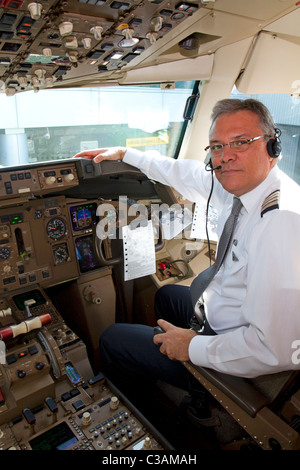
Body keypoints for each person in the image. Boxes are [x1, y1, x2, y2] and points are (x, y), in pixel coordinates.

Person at [73, 99, 300, 395]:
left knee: (113, 338)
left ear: (273, 147)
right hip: (226, 316)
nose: (225, 157)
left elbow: (275, 348)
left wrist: (192, 347)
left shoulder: (281, 224)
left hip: (242, 358)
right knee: (166, 295)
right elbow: (182, 172)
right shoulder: (243, 186)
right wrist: (127, 154)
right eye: (217, 146)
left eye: (240, 142)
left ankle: (140, 419)